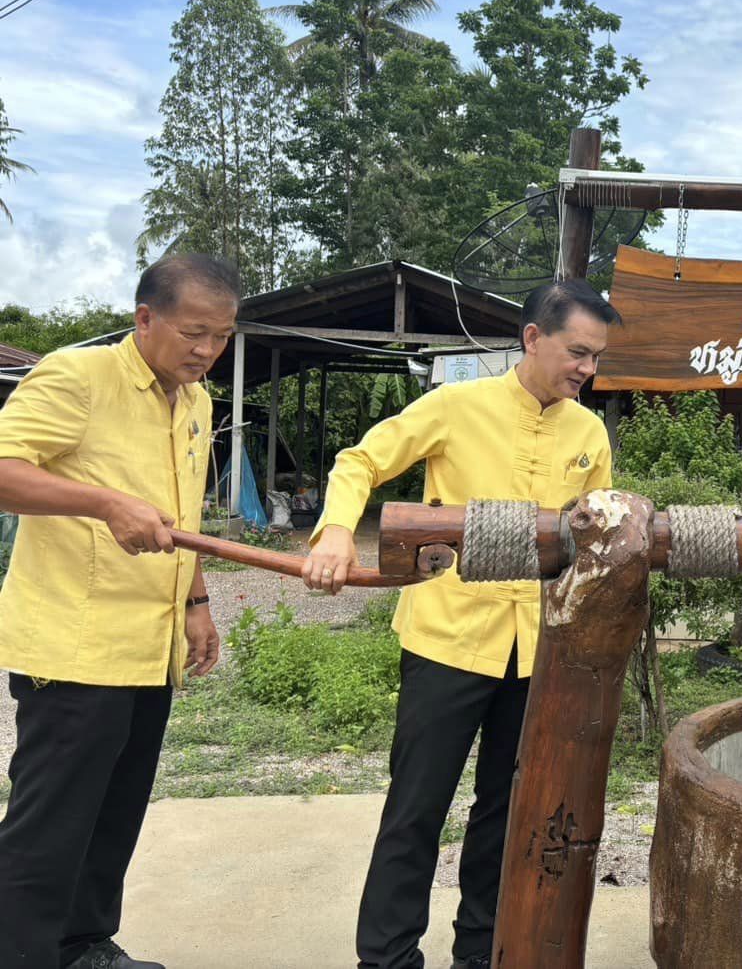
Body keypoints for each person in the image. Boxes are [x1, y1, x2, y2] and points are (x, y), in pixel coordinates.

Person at [301, 280, 618, 969]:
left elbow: (597, 536)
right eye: (576, 353)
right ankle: (385, 958)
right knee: (416, 809)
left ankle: (482, 952)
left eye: (594, 358)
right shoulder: (454, 406)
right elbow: (361, 461)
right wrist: (333, 534)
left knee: (505, 814)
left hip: (538, 651)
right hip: (446, 639)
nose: (586, 370)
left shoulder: (588, 432)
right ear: (533, 339)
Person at [0, 255, 238, 969]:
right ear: (145, 318)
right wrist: (103, 502)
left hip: (148, 644)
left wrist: (196, 602)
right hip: (76, 645)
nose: (206, 351)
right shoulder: (78, 377)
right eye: (194, 332)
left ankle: (84, 945)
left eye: (222, 336)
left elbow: (183, 515)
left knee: (115, 810)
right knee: (50, 825)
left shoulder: (195, 402)